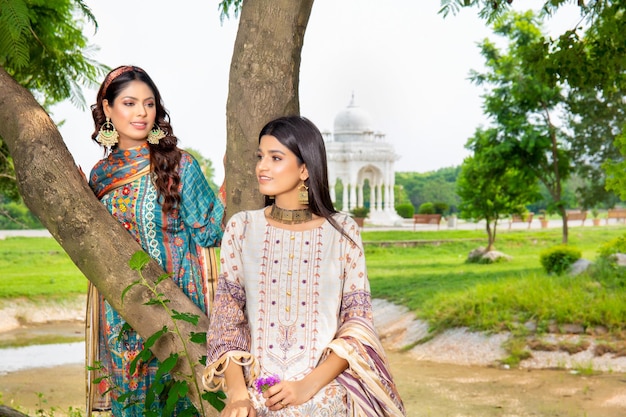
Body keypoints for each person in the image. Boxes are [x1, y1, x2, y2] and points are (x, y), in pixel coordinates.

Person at [202, 116, 405, 416]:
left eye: (275, 158)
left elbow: (357, 325)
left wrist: (307, 387)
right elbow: (227, 319)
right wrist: (237, 393)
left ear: (305, 168)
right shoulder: (242, 228)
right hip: (260, 393)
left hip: (326, 390)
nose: (262, 167)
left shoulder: (343, 232)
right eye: (260, 157)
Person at [85, 65, 224, 417]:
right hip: (122, 316)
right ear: (108, 109)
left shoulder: (180, 165)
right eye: (129, 103)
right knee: (134, 403)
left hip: (180, 309)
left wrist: (232, 185)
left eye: (149, 104)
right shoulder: (99, 176)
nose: (141, 113)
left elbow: (209, 231)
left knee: (185, 397)